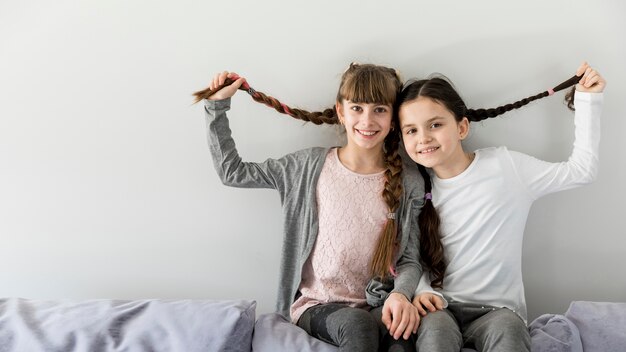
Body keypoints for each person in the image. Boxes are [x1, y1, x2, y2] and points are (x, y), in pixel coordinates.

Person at [195, 63, 425, 351]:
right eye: (357, 108)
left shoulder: (410, 180)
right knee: (357, 325)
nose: (367, 120)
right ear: (341, 112)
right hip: (317, 305)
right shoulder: (306, 168)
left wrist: (401, 295)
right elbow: (234, 173)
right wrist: (217, 108)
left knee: (404, 336)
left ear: (393, 118)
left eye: (379, 109)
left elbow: (410, 258)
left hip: (378, 303)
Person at [396, 62, 605, 351]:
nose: (423, 138)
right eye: (411, 130)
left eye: (435, 124)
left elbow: (581, 171)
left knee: (508, 331)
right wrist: (420, 291)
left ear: (462, 127)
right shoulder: (414, 189)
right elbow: (409, 255)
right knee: (434, 335)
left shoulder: (505, 167)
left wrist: (588, 100)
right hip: (439, 309)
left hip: (498, 312)